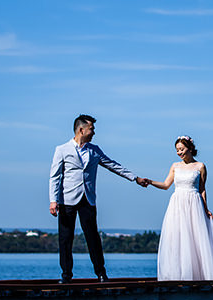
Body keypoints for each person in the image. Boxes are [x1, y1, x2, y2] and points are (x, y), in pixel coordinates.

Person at [49, 114, 150, 283]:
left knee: (93, 237)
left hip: (88, 199)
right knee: (65, 239)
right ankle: (66, 275)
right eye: (91, 129)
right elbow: (55, 177)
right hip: (67, 200)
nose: (94, 132)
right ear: (81, 130)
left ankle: (101, 273)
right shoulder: (62, 150)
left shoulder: (94, 150)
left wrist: (135, 178)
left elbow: (113, 165)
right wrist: (53, 200)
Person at [143, 135, 213, 281]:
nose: (179, 153)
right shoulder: (175, 166)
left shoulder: (200, 166)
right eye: (177, 150)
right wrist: (150, 182)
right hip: (177, 204)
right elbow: (166, 185)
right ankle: (179, 275)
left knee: (196, 238)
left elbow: (202, 189)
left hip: (194, 204)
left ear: (189, 149)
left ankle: (201, 275)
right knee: (178, 237)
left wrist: (206, 208)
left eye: (181, 149)